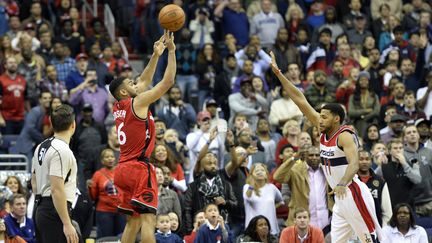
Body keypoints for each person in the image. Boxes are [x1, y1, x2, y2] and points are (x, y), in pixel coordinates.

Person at [270, 52, 383, 242]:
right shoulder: (323, 129)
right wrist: (279, 74)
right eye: (319, 115)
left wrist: (341, 183)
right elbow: (300, 99)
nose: (319, 119)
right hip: (339, 198)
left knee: (370, 239)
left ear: (336, 119)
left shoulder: (345, 135)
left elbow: (354, 164)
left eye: (324, 116)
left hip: (352, 191)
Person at [108, 31, 176, 243]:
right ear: (125, 93)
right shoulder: (138, 103)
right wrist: (171, 52)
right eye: (131, 83)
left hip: (121, 170)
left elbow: (145, 79)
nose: (136, 83)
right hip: (139, 168)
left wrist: (155, 55)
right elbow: (168, 82)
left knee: (133, 222)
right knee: (148, 220)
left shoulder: (119, 106)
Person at [31, 104, 79, 243]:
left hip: (41, 207)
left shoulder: (41, 146)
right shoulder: (62, 150)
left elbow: (34, 182)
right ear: (73, 125)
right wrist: (67, 223)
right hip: (54, 211)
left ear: (51, 123)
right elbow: (56, 189)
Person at [88, 148, 125, 238]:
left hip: (121, 211)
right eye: (107, 157)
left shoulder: (121, 171)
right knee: (105, 238)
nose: (110, 159)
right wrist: (90, 187)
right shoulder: (98, 174)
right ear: (102, 160)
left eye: (112, 156)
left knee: (122, 237)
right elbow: (93, 196)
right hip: (104, 212)